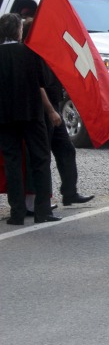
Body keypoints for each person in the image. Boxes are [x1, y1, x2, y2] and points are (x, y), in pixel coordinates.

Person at [21, 17, 94, 208]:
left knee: (66, 149)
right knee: (41, 156)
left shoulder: (44, 52)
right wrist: (52, 111)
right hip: (42, 111)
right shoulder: (30, 54)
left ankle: (69, 192)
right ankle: (40, 199)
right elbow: (39, 87)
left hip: (54, 107)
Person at [0, 13, 58, 225]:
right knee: (41, 159)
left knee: (12, 162)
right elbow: (45, 80)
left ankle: (17, 212)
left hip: (4, 115)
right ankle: (42, 211)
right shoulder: (30, 51)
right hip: (31, 112)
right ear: (18, 31)